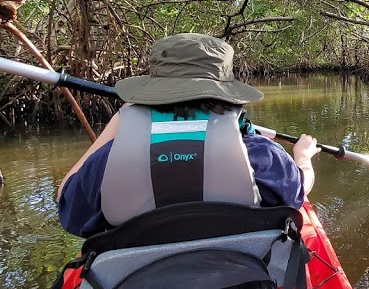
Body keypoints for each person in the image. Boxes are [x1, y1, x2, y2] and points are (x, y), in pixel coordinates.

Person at [57, 33, 321, 237]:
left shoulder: (110, 163)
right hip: (241, 274)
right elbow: (298, 189)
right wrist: (303, 156)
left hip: (136, 288)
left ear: (149, 96)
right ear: (228, 95)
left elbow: (66, 200)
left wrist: (119, 123)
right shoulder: (259, 155)